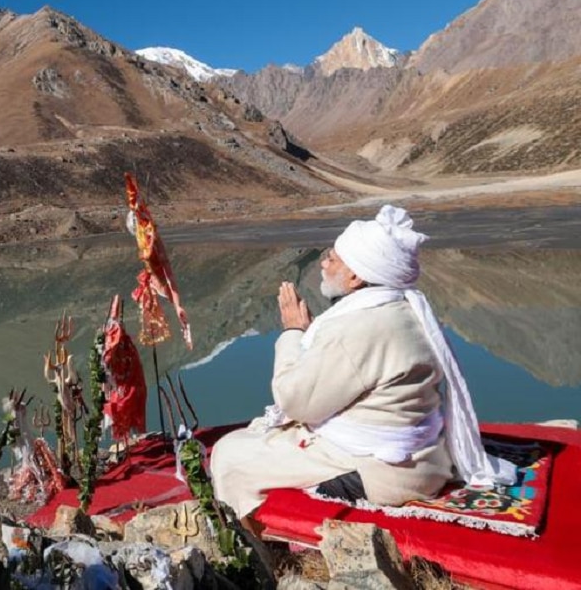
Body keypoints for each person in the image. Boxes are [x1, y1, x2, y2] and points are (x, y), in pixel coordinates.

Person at [209, 204, 514, 528]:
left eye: (332, 258)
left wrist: (293, 332)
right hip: (426, 461)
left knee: (229, 454)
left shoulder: (359, 327)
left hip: (379, 472)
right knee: (260, 436)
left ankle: (249, 541)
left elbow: (295, 402)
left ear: (355, 276)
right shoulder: (406, 309)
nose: (323, 264)